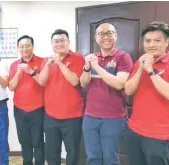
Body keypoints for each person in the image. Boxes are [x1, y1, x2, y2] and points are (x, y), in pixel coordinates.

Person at [123, 21, 169, 165]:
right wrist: (141, 68)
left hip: (158, 135)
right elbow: (128, 90)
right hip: (134, 130)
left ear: (166, 42)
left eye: (157, 40)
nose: (151, 44)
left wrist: (150, 70)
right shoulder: (139, 63)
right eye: (147, 41)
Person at [79, 23, 133, 165]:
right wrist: (86, 67)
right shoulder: (92, 57)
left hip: (113, 119)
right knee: (93, 158)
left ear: (115, 35)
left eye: (109, 33)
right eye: (101, 34)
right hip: (90, 117)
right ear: (96, 38)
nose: (105, 37)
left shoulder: (123, 57)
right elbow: (83, 83)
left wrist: (96, 67)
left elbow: (119, 84)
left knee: (110, 159)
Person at [38, 29, 85, 165]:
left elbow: (75, 81)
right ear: (52, 44)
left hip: (72, 116)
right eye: (56, 41)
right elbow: (41, 82)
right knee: (52, 153)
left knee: (73, 152)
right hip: (51, 116)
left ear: (68, 42)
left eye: (62, 40)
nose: (59, 43)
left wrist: (59, 63)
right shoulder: (46, 60)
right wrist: (48, 64)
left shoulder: (78, 58)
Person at [8, 35, 45, 165]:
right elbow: (11, 87)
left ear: (32, 46)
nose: (24, 49)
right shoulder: (14, 65)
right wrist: (18, 73)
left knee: (38, 141)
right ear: (18, 48)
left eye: (27, 45)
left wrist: (31, 71)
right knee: (25, 140)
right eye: (21, 46)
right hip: (20, 109)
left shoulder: (42, 61)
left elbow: (44, 83)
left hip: (38, 108)